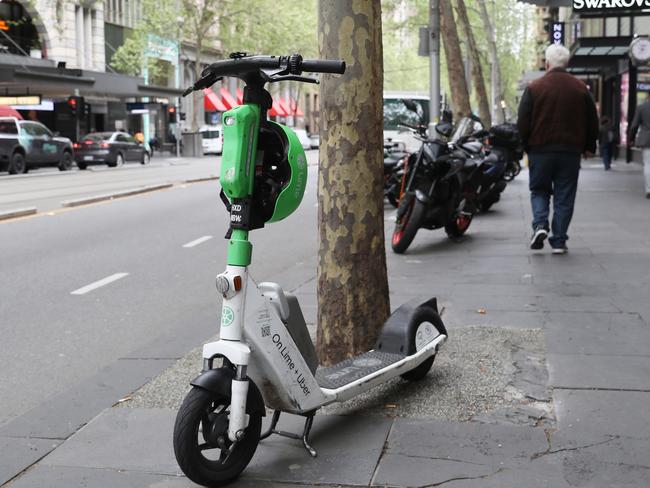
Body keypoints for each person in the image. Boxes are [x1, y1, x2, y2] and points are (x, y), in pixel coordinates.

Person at [517, 44, 598, 254]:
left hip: (540, 150)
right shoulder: (580, 88)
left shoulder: (534, 88)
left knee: (539, 190)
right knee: (565, 195)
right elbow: (592, 121)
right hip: (570, 151)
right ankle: (559, 241)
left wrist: (525, 145)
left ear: (547, 63)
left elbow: (523, 121)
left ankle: (540, 225)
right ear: (568, 63)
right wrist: (589, 146)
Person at [628, 92, 650, 198]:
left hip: (646, 140)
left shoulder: (641, 107)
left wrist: (631, 139)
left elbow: (634, 125)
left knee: (648, 164)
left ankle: (649, 189)